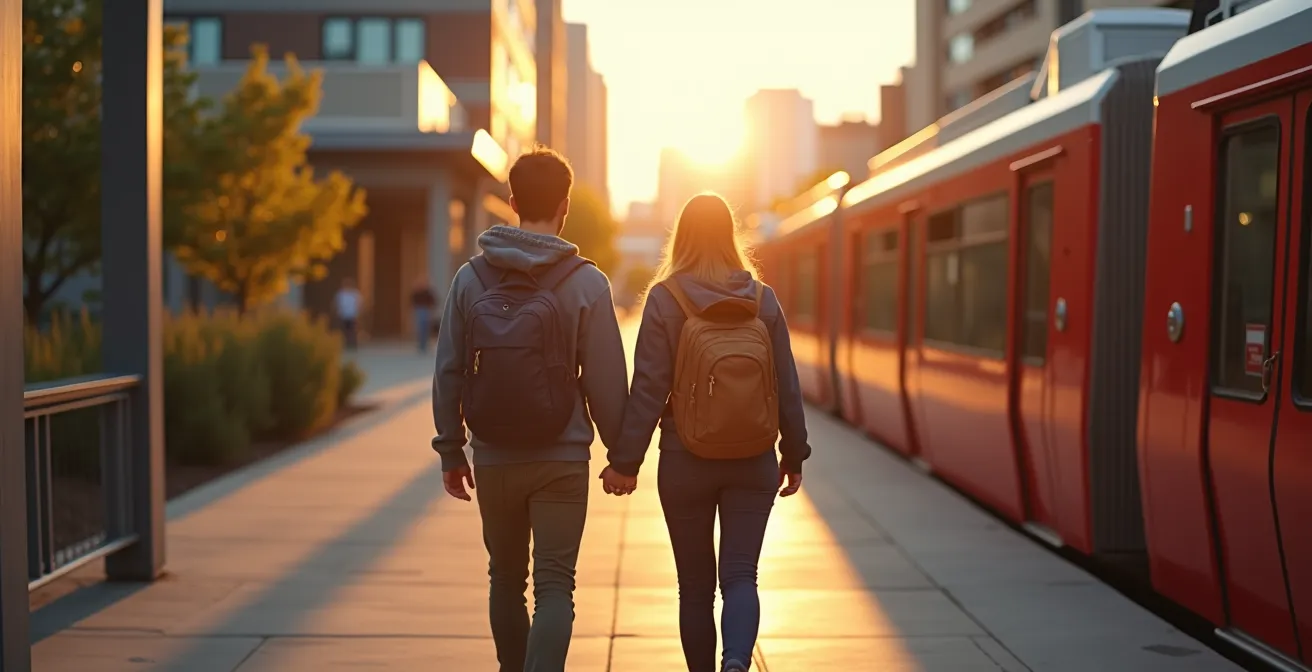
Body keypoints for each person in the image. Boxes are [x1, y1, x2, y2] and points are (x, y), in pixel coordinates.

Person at [430, 146, 629, 672]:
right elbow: (608, 380)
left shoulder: (470, 279)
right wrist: (622, 456)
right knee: (555, 584)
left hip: (494, 455)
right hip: (562, 458)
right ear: (565, 204)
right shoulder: (587, 282)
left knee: (505, 578)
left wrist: (452, 449)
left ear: (513, 200)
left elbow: (449, 368)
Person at [602, 193, 810, 672]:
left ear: (682, 237)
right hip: (753, 458)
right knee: (741, 576)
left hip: (684, 459)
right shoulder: (762, 297)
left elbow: (649, 389)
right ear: (729, 237)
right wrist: (794, 454)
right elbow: (786, 383)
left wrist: (624, 463)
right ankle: (737, 660)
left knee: (694, 586)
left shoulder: (665, 298)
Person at [410, 275, 438, 352]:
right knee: (420, 328)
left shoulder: (428, 292)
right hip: (419, 310)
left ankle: (425, 344)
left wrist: (431, 309)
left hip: (426, 310)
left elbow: (433, 300)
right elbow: (412, 301)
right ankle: (420, 344)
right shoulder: (417, 292)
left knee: (426, 328)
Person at [334, 277, 362, 350]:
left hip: (352, 315)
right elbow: (337, 303)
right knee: (344, 331)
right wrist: (338, 311)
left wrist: (358, 312)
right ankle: (344, 344)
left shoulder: (355, 294)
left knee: (352, 331)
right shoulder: (340, 294)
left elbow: (359, 304)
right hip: (344, 315)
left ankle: (353, 345)